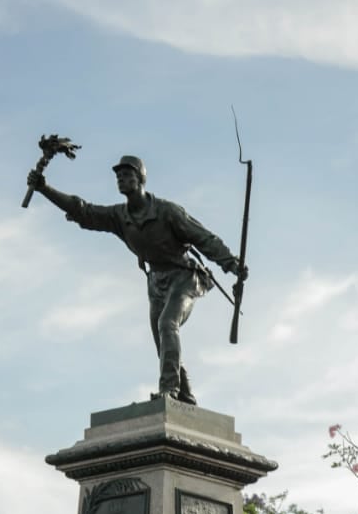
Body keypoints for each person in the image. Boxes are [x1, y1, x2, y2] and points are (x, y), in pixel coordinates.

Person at [26, 155, 247, 404]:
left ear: (141, 178)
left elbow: (204, 238)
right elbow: (83, 211)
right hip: (156, 282)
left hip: (185, 277)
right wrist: (44, 188)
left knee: (167, 324)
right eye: (118, 176)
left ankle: (169, 391)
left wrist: (231, 263)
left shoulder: (167, 211)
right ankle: (185, 395)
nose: (122, 179)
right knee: (161, 342)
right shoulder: (120, 216)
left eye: (128, 175)